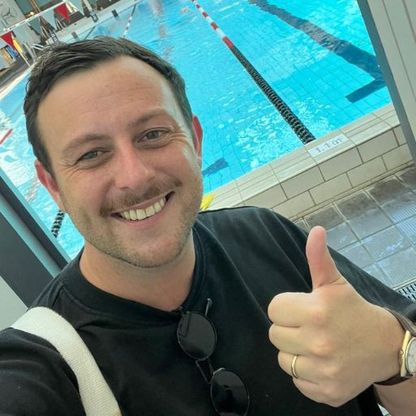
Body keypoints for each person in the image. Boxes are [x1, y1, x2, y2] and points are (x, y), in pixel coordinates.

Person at [0, 36, 415, 416]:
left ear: (195, 141)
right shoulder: (44, 365)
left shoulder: (265, 235)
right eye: (91, 155)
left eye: (153, 134)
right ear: (53, 186)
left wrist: (392, 353)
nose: (135, 177)